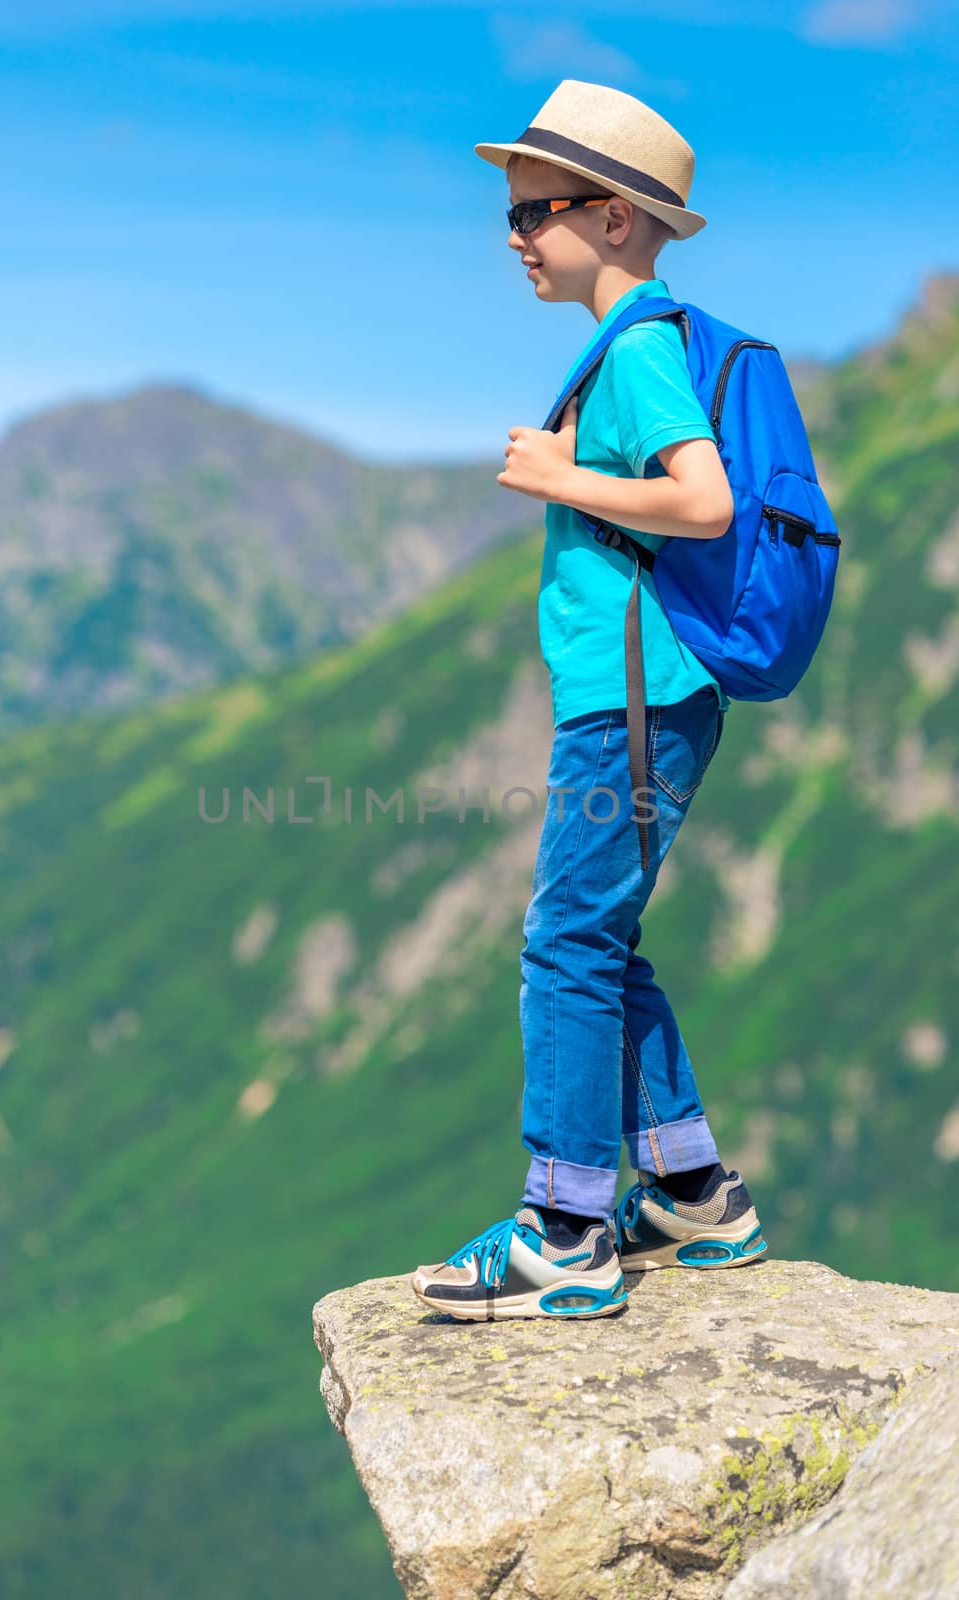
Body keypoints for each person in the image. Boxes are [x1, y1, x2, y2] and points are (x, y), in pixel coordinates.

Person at [411, 81, 767, 1322]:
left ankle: (563, 1226)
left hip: (635, 697)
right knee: (598, 941)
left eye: (534, 212)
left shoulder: (640, 348)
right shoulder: (632, 343)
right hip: (638, 693)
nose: (515, 237)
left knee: (562, 946)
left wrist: (564, 475)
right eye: (512, 215)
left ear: (615, 218)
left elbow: (707, 500)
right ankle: (688, 1191)